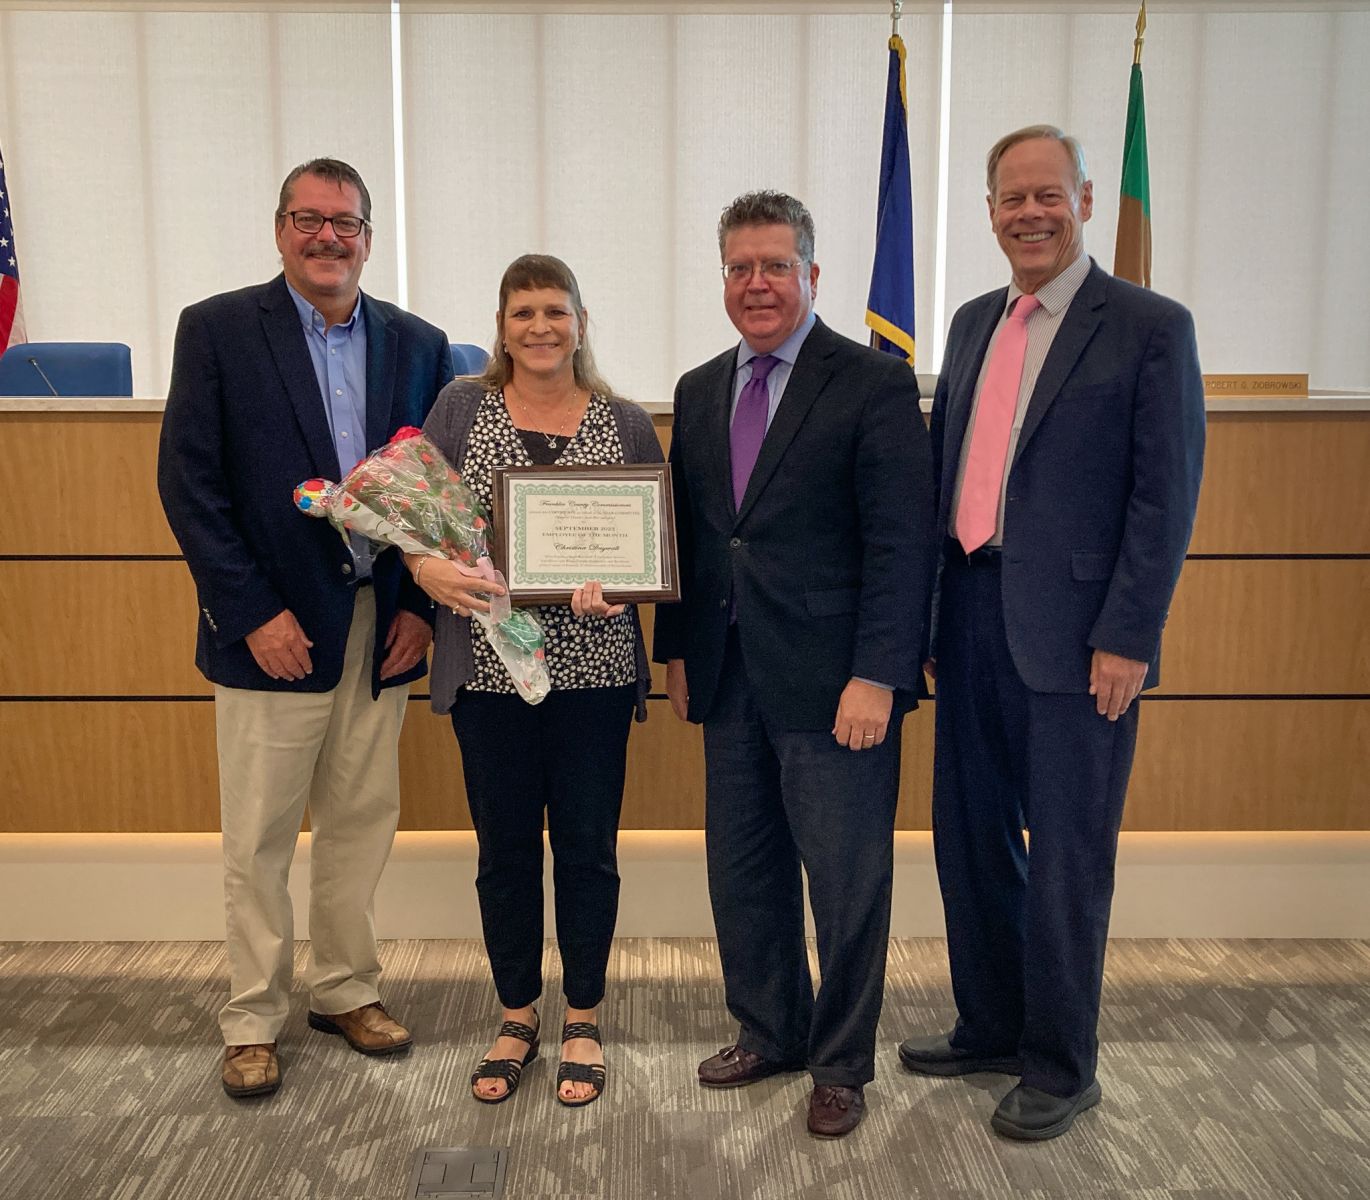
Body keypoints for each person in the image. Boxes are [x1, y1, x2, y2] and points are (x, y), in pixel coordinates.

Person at [899, 126, 1205, 1140]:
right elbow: (951, 472)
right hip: (972, 616)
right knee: (969, 840)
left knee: (1067, 854)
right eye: (1007, 198)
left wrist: (1128, 634)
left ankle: (1061, 1061)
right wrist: (935, 621)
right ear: (987, 211)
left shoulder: (1148, 325)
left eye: (1045, 195)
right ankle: (990, 1023)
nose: (1027, 213)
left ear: (1079, 196)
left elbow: (1162, 498)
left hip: (1080, 641)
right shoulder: (969, 321)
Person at [157, 157, 453, 1099]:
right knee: (259, 834)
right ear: (280, 229)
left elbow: (434, 491)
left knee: (363, 820)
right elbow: (190, 485)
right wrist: (250, 612)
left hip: (381, 627)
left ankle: (344, 989)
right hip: (270, 632)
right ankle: (251, 1015)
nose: (328, 238)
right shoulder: (215, 331)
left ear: (369, 234)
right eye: (309, 220)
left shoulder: (418, 342)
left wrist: (417, 609)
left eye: (346, 223)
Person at [653, 191, 936, 1138]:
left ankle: (841, 1061)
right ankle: (769, 1028)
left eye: (777, 265)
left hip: (836, 684)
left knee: (846, 880)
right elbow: (694, 538)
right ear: (722, 278)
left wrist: (881, 675)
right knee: (743, 874)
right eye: (741, 267)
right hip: (729, 675)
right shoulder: (698, 389)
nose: (759, 283)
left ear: (813, 274)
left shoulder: (871, 384)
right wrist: (679, 652)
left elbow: (904, 545)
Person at [409, 254, 661, 1108]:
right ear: (501, 325)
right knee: (505, 852)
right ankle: (517, 1015)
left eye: (555, 310)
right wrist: (423, 569)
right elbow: (417, 517)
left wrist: (615, 588)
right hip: (487, 673)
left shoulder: (625, 422)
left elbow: (659, 549)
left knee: (587, 851)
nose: (540, 327)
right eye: (523, 313)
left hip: (592, 675)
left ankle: (582, 1016)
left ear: (581, 322)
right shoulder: (458, 407)